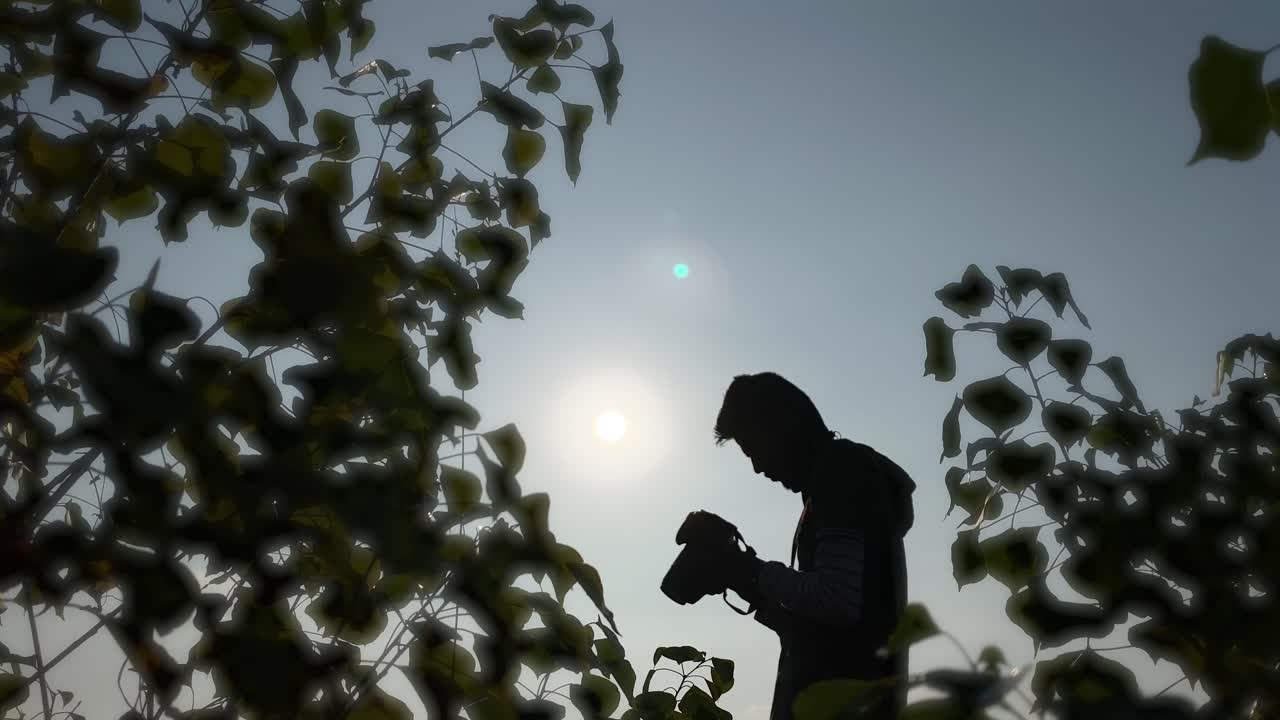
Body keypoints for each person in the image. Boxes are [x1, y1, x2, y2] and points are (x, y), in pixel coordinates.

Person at [709, 372, 915, 720]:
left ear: (783, 426)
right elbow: (832, 623)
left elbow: (836, 601)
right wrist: (745, 580)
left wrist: (750, 570)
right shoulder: (830, 480)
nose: (758, 467)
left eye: (754, 449)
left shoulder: (841, 469)